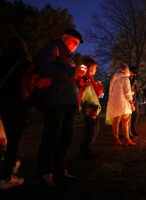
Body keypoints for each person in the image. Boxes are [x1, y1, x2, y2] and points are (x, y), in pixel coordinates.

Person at [35, 28, 85, 187]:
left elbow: (67, 76)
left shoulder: (68, 57)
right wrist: (72, 71)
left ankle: (59, 171)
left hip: (68, 102)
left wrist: (79, 80)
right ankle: (45, 173)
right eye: (74, 42)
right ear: (64, 38)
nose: (76, 46)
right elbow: (43, 67)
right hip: (55, 101)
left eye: (78, 44)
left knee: (66, 137)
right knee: (52, 137)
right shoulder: (52, 48)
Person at [0, 33, 31, 190]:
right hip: (17, 104)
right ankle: (7, 176)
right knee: (13, 140)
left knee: (3, 139)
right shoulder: (24, 63)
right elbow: (30, 85)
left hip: (2, 104)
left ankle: (7, 168)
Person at [78, 57, 103, 159]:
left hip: (86, 106)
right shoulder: (89, 78)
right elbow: (97, 93)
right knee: (92, 130)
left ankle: (84, 150)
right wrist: (100, 86)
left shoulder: (82, 77)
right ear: (90, 67)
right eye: (94, 67)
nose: (95, 70)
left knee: (90, 129)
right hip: (91, 107)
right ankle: (86, 151)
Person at [106, 64, 136, 146]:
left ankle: (116, 138)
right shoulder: (125, 78)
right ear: (126, 70)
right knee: (125, 120)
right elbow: (127, 93)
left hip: (113, 101)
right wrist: (131, 102)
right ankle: (127, 139)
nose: (131, 74)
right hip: (122, 102)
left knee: (116, 119)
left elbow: (110, 91)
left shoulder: (114, 78)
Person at [129, 72, 144, 137]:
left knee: (135, 115)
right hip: (129, 101)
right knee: (129, 118)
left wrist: (142, 98)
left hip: (134, 102)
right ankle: (129, 132)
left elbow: (137, 91)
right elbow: (129, 89)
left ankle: (133, 130)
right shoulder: (127, 80)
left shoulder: (134, 83)